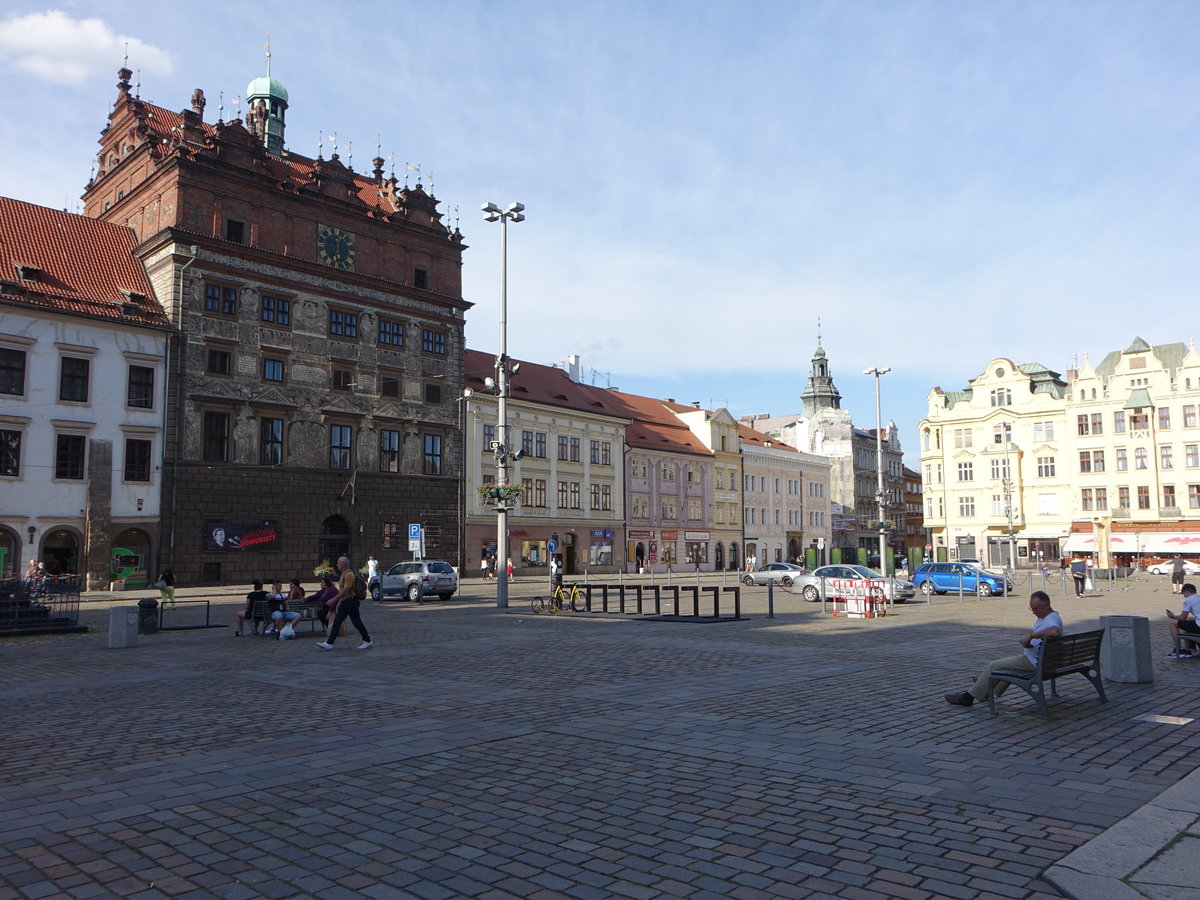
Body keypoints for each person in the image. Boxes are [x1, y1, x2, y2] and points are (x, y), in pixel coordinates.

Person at [944, 591, 1063, 706]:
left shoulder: (1051, 618)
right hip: (1046, 661)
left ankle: (969, 697)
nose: (1033, 612)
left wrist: (1032, 636)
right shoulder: (1046, 616)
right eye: (1031, 608)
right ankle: (988, 686)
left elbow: (1054, 631)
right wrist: (1029, 637)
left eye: (1036, 609)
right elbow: (1036, 630)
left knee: (994, 665)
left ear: (1047, 606)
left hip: (1036, 663)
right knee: (1006, 668)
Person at [316, 556, 372, 651]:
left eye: (338, 562)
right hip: (346, 602)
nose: (337, 564)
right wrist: (339, 602)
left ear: (344, 564)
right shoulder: (343, 574)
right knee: (338, 621)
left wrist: (334, 600)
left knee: (355, 622)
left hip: (351, 602)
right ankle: (330, 642)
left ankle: (367, 640)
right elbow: (343, 590)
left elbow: (346, 590)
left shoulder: (348, 575)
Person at [1166, 582, 1200, 659]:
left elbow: (1182, 618)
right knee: (1187, 625)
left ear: (1186, 592)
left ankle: (1177, 649)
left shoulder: (1188, 600)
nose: (1184, 596)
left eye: (1183, 594)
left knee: (1172, 623)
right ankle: (1189, 650)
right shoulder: (1198, 597)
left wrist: (1173, 616)